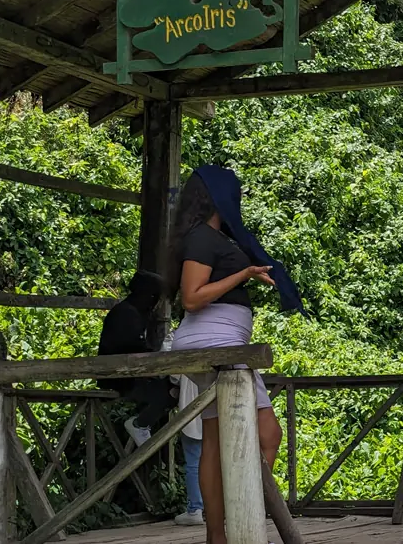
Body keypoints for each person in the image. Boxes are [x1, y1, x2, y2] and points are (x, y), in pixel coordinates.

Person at [168, 166, 297, 544]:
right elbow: (192, 298)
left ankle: (217, 535)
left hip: (218, 340)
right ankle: (244, 520)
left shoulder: (210, 237)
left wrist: (247, 272)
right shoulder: (202, 238)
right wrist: (242, 275)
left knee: (214, 436)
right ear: (219, 197)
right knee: (268, 432)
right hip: (216, 341)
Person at [96, 270, 174, 446]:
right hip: (118, 377)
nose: (156, 303)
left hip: (126, 373)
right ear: (148, 295)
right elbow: (130, 348)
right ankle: (139, 424)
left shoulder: (134, 312)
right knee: (168, 391)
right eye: (155, 297)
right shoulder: (127, 314)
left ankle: (143, 424)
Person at [172, 375, 205, 526]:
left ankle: (195, 509)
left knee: (193, 464)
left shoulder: (182, 349)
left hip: (191, 411)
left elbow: (173, 376)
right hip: (216, 409)